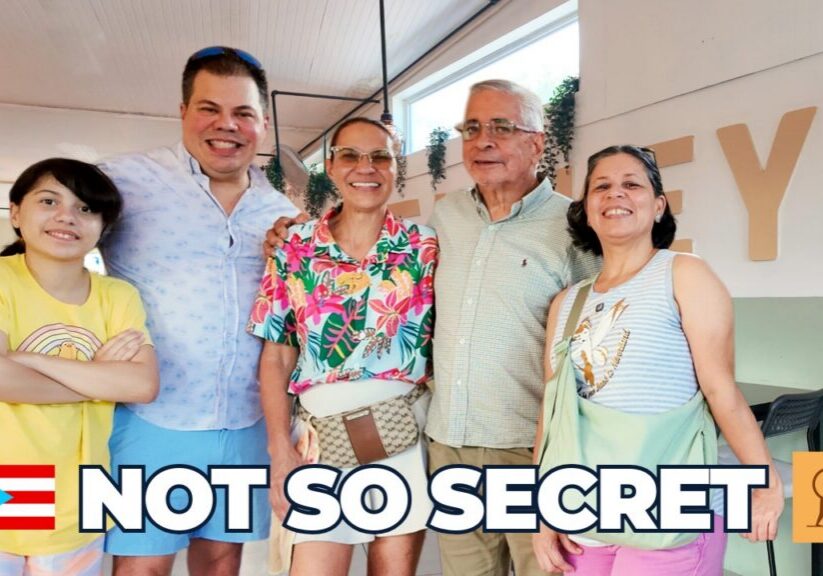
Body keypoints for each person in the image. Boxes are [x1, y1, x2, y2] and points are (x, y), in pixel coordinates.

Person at [266, 80, 599, 575]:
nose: (484, 140)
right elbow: (280, 348)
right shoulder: (443, 221)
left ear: (537, 141)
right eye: (473, 128)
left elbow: (602, 338)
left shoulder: (568, 226)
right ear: (330, 166)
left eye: (502, 127)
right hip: (440, 444)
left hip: (525, 448)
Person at [532, 145, 784, 575]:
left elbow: (720, 389)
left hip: (668, 508)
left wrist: (765, 482)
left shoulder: (684, 274)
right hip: (584, 513)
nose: (617, 195)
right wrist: (540, 510)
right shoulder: (567, 302)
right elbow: (551, 417)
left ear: (658, 206)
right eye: (602, 187)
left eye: (632, 184)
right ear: (587, 210)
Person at [98, 47, 298, 576]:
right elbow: (51, 240)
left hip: (244, 423)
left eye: (244, 114)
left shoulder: (282, 214)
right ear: (183, 111)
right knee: (142, 567)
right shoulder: (123, 182)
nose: (226, 126)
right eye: (210, 109)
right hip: (150, 419)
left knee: (220, 563)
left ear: (264, 123)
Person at [249, 117, 437, 576]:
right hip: (319, 442)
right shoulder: (294, 247)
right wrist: (280, 451)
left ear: (396, 168)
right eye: (350, 155)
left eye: (380, 157)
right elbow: (275, 355)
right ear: (330, 167)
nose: (365, 167)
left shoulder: (424, 247)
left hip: (402, 438)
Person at [0, 158, 158, 575]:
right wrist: (103, 378)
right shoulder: (3, 280)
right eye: (49, 201)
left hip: (82, 497)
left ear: (103, 226)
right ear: (15, 212)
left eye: (86, 208)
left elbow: (142, 384)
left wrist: (29, 360)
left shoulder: (117, 296)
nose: (67, 216)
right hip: (9, 488)